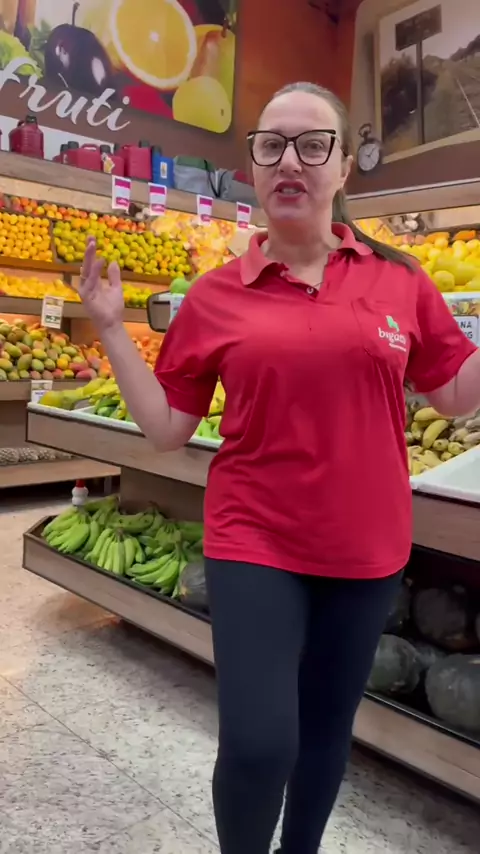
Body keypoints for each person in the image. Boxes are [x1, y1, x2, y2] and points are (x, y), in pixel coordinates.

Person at [77, 82, 479, 854]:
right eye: (272, 145)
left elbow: (454, 395)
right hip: (254, 538)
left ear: (342, 167)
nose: (290, 160)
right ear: (255, 167)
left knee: (326, 732)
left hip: (366, 547)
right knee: (261, 743)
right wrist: (112, 330)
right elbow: (167, 428)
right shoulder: (214, 297)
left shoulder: (399, 280)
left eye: (312, 144)